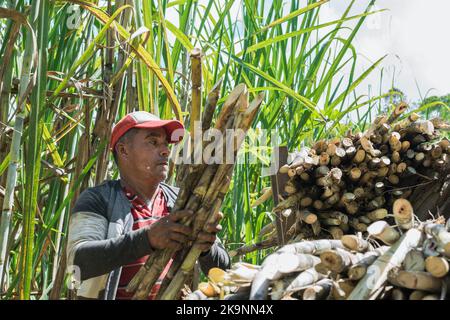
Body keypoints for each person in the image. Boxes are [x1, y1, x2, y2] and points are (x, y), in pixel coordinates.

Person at [67, 111, 230, 300]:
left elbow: (224, 270)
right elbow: (77, 262)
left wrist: (207, 249)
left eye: (166, 144)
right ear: (124, 151)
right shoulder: (98, 200)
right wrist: (147, 239)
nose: (165, 151)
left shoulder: (182, 201)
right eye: (153, 142)